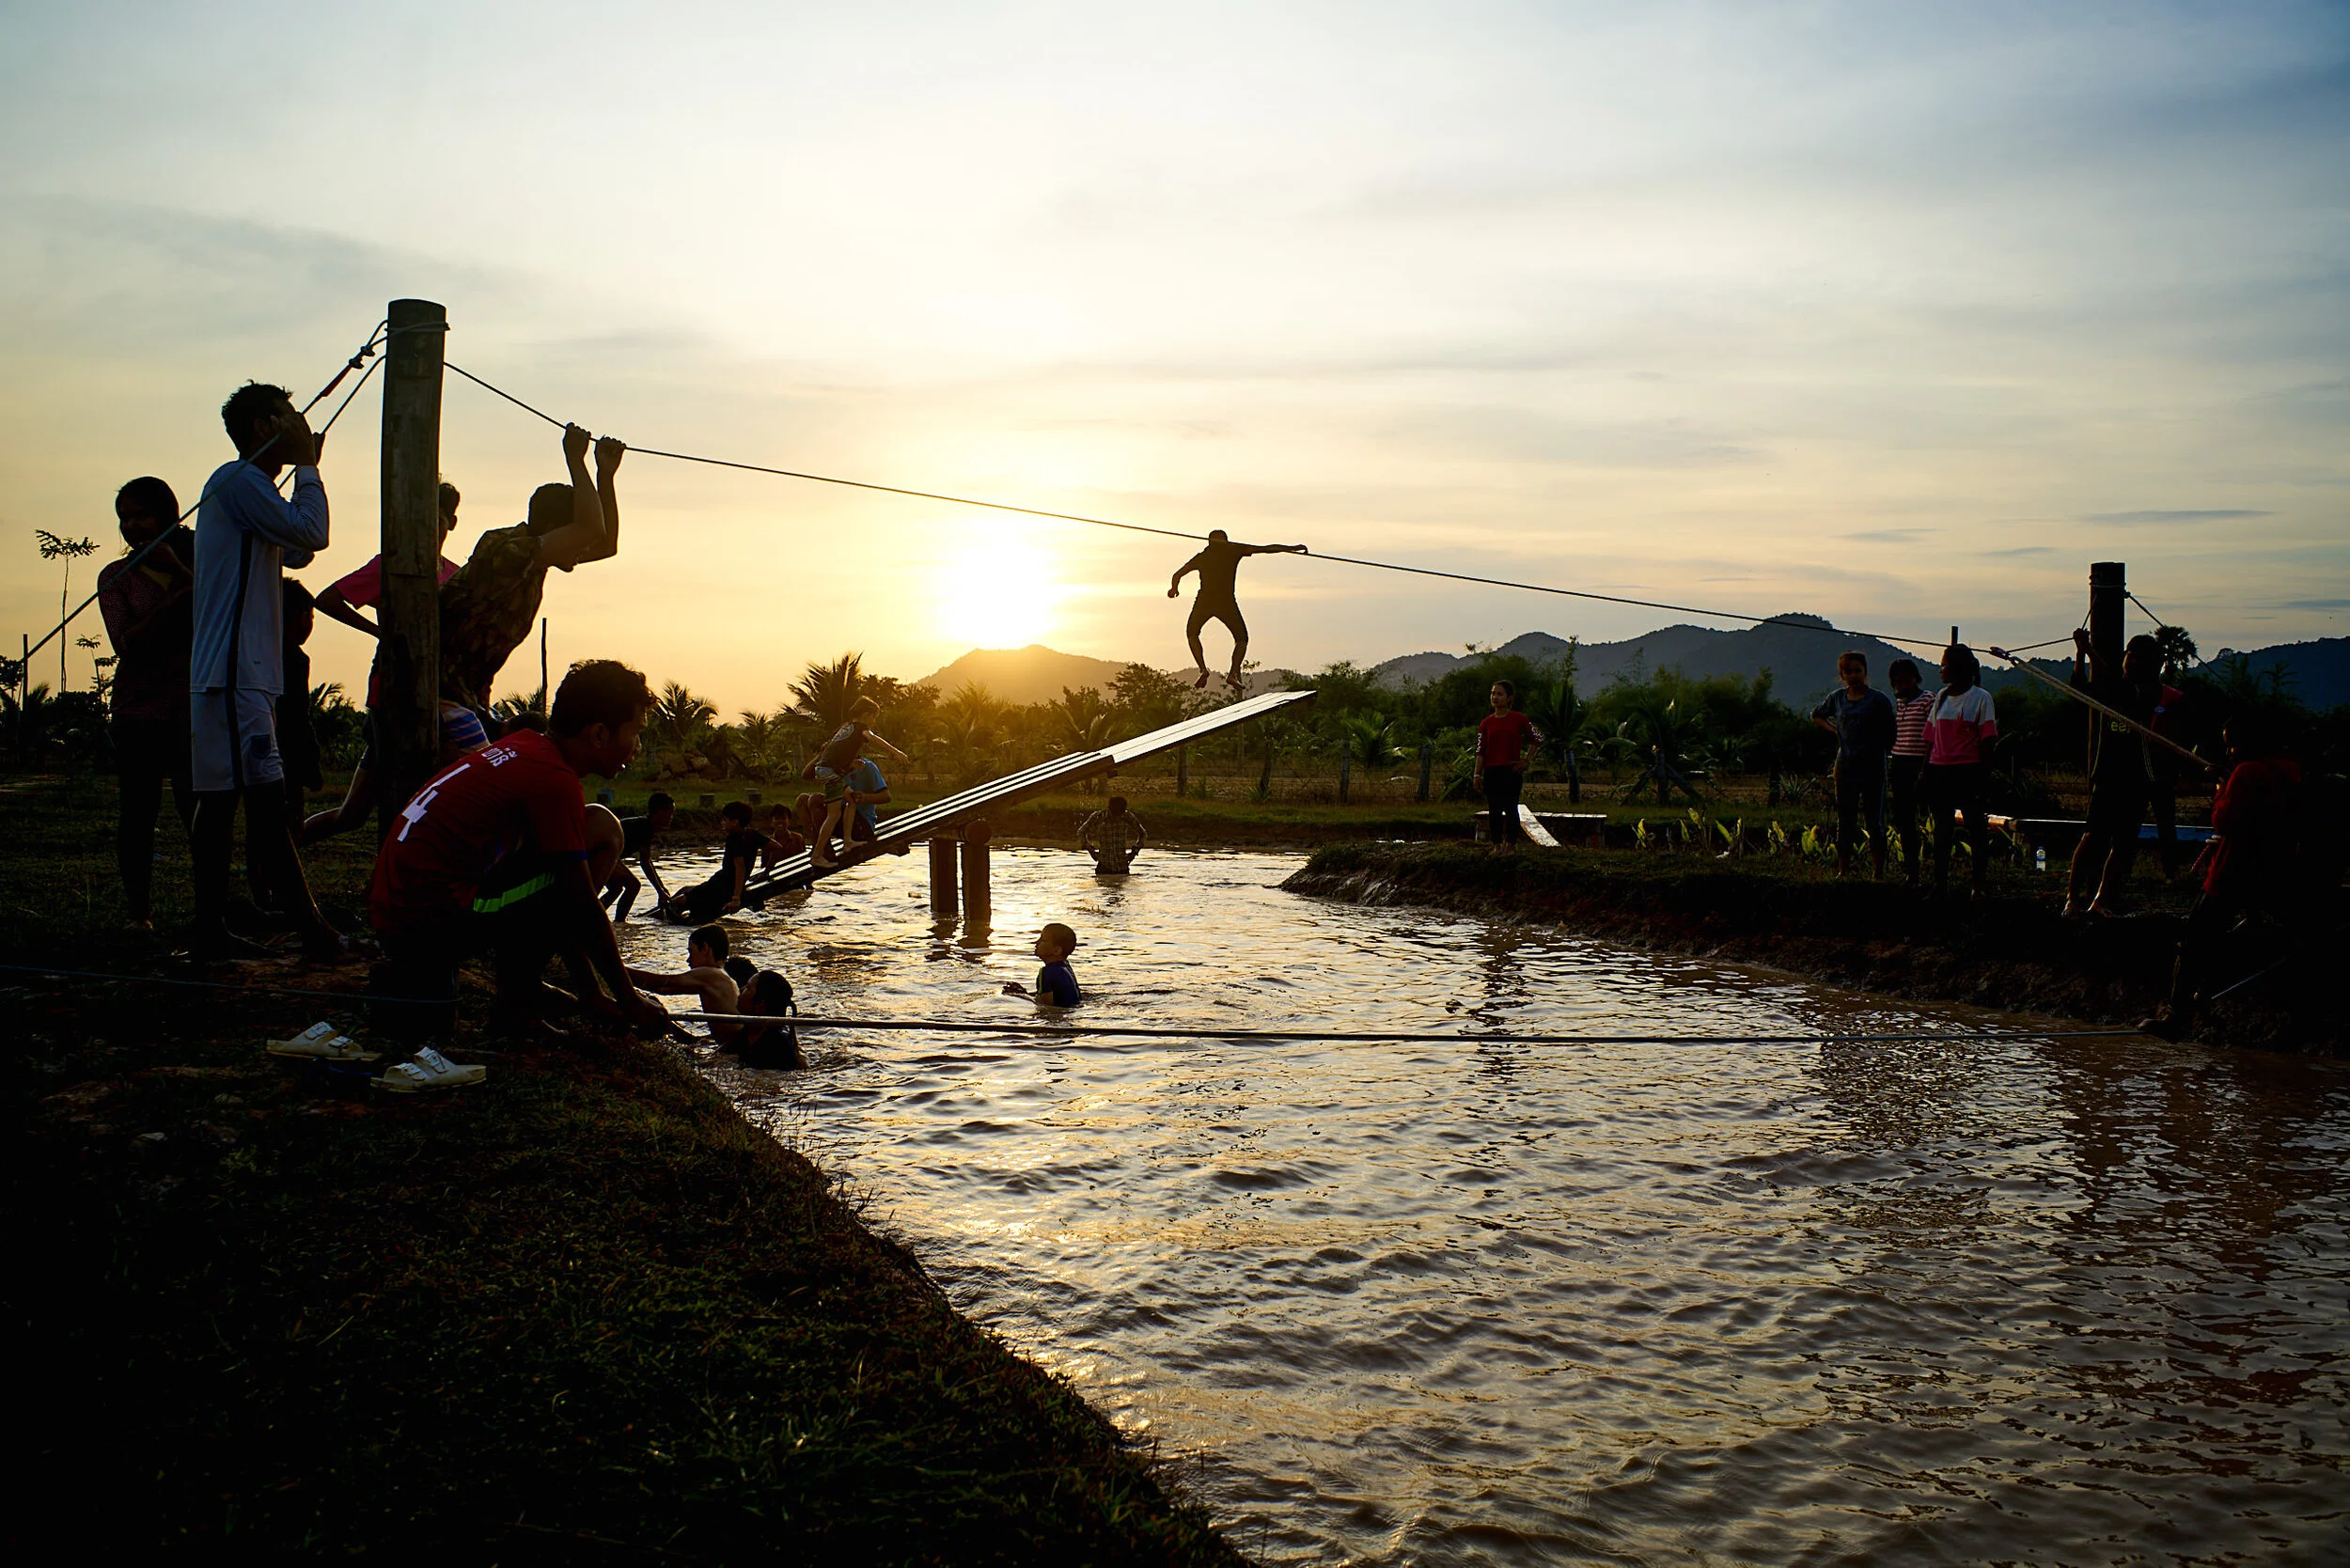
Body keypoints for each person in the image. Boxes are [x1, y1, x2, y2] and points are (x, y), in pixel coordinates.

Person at [368, 658, 669, 1049]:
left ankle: (521, 994)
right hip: (427, 920)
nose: (636, 746)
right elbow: (579, 903)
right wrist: (626, 999)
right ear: (599, 734)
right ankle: (518, 1004)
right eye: (636, 733)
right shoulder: (553, 780)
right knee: (604, 833)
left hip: (401, 907)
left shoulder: (526, 747)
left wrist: (590, 990)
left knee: (592, 826)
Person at [187, 381, 343, 960]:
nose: (299, 422)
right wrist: (306, 467)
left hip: (234, 674)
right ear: (263, 428)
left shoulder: (244, 486)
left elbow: (299, 549)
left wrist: (303, 472)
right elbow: (314, 533)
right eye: (289, 415)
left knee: (224, 802)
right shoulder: (238, 480)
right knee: (264, 804)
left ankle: (211, 927)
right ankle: (314, 931)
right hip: (236, 674)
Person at [305, 480, 462, 843]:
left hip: (442, 694)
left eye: (437, 519)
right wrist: (380, 632)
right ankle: (280, 855)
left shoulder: (455, 574)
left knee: (374, 808)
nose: (429, 527)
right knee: (383, 802)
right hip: (393, 692)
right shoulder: (391, 566)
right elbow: (328, 598)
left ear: (450, 522)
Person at [439, 424, 623, 718]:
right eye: (575, 540)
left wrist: (605, 475)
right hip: (425, 696)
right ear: (554, 531)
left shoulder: (536, 563)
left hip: (463, 700)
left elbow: (605, 544)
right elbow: (590, 529)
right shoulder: (507, 552)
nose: (582, 550)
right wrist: (576, 461)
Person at [2140, 714, 2306, 1041]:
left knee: (2193, 939)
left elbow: (2224, 820)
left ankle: (2177, 1015)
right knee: (2263, 931)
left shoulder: (2246, 773)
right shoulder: (2293, 771)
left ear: (2248, 744)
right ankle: (2211, 999)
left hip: (2234, 870)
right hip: (2278, 870)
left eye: (2232, 743)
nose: (2228, 751)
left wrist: (2221, 787)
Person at [97, 476, 196, 930]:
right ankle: (140, 915)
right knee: (137, 814)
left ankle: (207, 911)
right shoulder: (116, 577)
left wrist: (179, 573)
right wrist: (175, 599)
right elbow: (126, 644)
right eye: (125, 518)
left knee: (198, 811)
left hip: (195, 706)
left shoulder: (199, 557)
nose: (132, 526)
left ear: (168, 514)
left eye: (141, 515)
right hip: (140, 709)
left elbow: (217, 608)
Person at [2062, 629, 2165, 918]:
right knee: (2092, 835)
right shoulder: (2114, 687)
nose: (2130, 662)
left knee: (2122, 844)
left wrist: (2090, 650)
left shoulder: (2150, 691)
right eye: (2128, 655)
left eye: (2137, 658)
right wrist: (2082, 653)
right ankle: (2072, 899)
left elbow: (2114, 686)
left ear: (2150, 664)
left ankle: (2102, 898)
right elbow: (2080, 686)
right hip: (2107, 775)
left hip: (2137, 778)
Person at [255, 580, 325, 914]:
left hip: (261, 749)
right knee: (286, 824)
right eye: (309, 616)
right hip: (286, 753)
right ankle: (282, 895)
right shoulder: (294, 659)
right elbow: (298, 714)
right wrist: (310, 760)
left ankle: (265, 892)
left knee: (261, 825)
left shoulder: (256, 651)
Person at [1167, 529, 1308, 692]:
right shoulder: (1233, 551)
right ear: (1225, 541)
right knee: (1241, 638)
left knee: (1193, 633)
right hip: (1225, 601)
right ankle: (1230, 673)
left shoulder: (1204, 557)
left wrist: (1174, 589)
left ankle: (1205, 669)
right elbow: (1265, 548)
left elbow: (1177, 574)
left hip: (1206, 600)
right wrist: (1290, 548)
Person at [1922, 644, 1999, 901]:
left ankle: (1978, 886)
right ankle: (1940, 884)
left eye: (1944, 664)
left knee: (1976, 830)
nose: (1941, 669)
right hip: (1940, 771)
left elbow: (1988, 740)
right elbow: (1930, 740)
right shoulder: (1941, 697)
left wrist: (1984, 776)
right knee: (1942, 831)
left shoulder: (1980, 697)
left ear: (1957, 668)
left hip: (1968, 772)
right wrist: (1924, 773)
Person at [1811, 651, 1896, 880]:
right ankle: (1843, 870)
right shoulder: (1837, 698)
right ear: (1842, 675)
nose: (1854, 675)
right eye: (1849, 671)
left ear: (1865, 672)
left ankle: (1878, 873)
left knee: (1874, 821)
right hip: (1845, 765)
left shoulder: (1878, 700)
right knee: (1845, 820)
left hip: (1873, 767)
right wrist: (1835, 731)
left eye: (1857, 670)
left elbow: (1891, 729)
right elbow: (1816, 715)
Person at [803, 698, 909, 870]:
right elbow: (874, 739)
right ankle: (817, 855)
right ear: (866, 715)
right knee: (834, 814)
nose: (874, 722)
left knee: (851, 800)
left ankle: (847, 842)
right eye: (874, 717)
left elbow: (839, 751)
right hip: (829, 772)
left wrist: (850, 762)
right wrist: (896, 752)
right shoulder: (861, 728)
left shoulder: (846, 728)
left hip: (825, 770)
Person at [625, 923, 745, 1043]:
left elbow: (661, 982)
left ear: (704, 948)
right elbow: (661, 989)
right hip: (732, 1040)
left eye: (691, 952)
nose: (688, 960)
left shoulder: (710, 973)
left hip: (733, 1045)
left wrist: (616, 968)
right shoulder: (720, 976)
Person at [664, 800, 763, 923]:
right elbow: (776, 847)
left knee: (680, 900)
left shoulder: (733, 839)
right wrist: (767, 869)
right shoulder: (752, 834)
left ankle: (662, 918)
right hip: (729, 884)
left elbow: (740, 867)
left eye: (725, 820)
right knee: (688, 892)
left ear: (735, 822)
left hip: (722, 884)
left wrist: (736, 898)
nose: (722, 823)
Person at [1885, 658, 1934, 886]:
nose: (1902, 685)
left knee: (1933, 816)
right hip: (1899, 763)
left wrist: (1925, 769)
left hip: (1921, 763)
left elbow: (1933, 737)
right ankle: (1912, 871)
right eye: (1898, 682)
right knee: (1905, 819)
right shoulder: (1900, 704)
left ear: (1916, 678)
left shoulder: (1928, 700)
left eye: (1906, 680)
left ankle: (1935, 872)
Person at [1474, 680, 1540, 849]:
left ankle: (1511, 845)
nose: (1495, 697)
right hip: (1491, 771)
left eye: (1499, 694)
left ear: (1509, 698)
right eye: (1493, 693)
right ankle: (1497, 846)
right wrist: (1476, 774)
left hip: (1511, 771)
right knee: (1494, 810)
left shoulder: (1519, 719)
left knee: (1511, 808)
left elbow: (1536, 739)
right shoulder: (1486, 723)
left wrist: (1527, 760)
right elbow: (1480, 750)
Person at [601, 791, 676, 920]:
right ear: (658, 812)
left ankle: (597, 919)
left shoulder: (647, 827)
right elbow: (645, 863)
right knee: (633, 885)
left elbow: (647, 861)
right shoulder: (644, 827)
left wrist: (662, 889)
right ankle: (619, 922)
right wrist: (660, 891)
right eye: (669, 812)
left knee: (616, 888)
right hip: (604, 853)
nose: (671, 817)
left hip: (607, 854)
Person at [2147, 676, 2190, 880]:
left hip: (2163, 766)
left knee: (2165, 820)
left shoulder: (2174, 698)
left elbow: (2183, 733)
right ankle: (2120, 869)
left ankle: (2170, 870)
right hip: (2138, 763)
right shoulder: (2131, 695)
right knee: (2127, 821)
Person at [734, 969, 807, 1070]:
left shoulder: (776, 1048)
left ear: (760, 1004)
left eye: (748, 987)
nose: (741, 990)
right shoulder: (745, 1035)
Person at [1003, 922, 1081, 1007]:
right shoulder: (1066, 967)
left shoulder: (1046, 972)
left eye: (1043, 940)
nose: (1036, 943)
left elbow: (1044, 1005)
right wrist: (1025, 993)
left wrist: (1021, 996)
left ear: (1057, 950)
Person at [1079, 795, 1149, 874]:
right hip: (1104, 867)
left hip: (1122, 867)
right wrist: (1091, 850)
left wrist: (1135, 851)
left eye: (1119, 815)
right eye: (1115, 815)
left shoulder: (1127, 817)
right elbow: (1081, 832)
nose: (1117, 818)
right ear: (1109, 808)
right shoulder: (1098, 817)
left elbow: (1143, 834)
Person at [760, 802, 807, 872]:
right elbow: (763, 867)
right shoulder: (767, 842)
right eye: (777, 818)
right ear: (772, 821)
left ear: (789, 821)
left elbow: (804, 863)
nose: (780, 821)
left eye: (783, 818)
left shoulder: (798, 839)